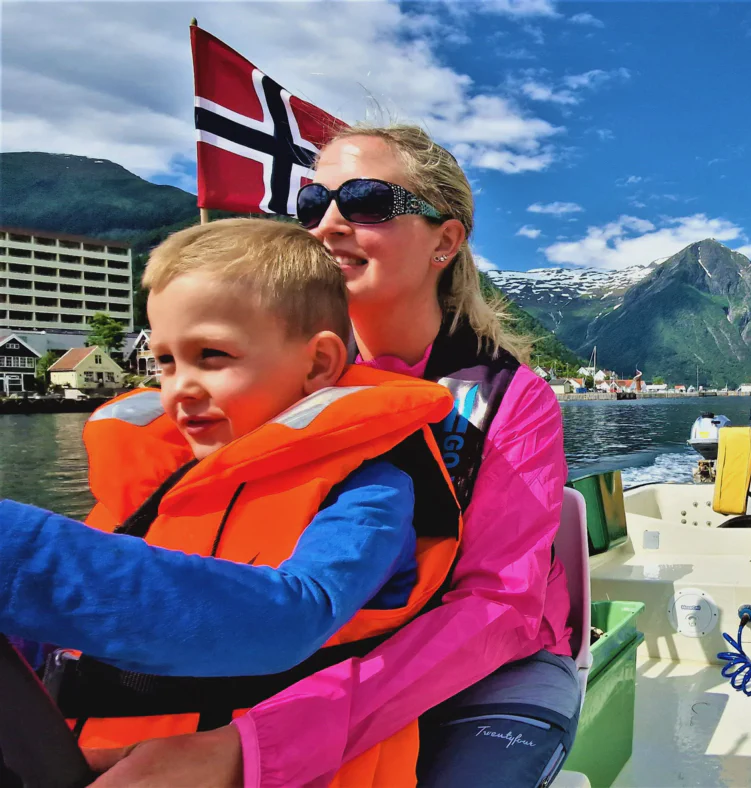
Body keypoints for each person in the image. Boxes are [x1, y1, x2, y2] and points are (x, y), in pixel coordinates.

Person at [86, 125, 577, 788]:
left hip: (488, 667)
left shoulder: (508, 401)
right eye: (314, 204)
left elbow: (499, 606)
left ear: (445, 240)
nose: (331, 223)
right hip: (317, 643)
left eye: (369, 202)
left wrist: (258, 744)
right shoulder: (269, 375)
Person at [0, 218, 463, 785]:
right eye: (165, 361)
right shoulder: (157, 490)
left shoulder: (368, 490)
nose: (179, 388)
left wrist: (18, 556)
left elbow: (294, 617)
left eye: (212, 355)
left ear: (318, 363)